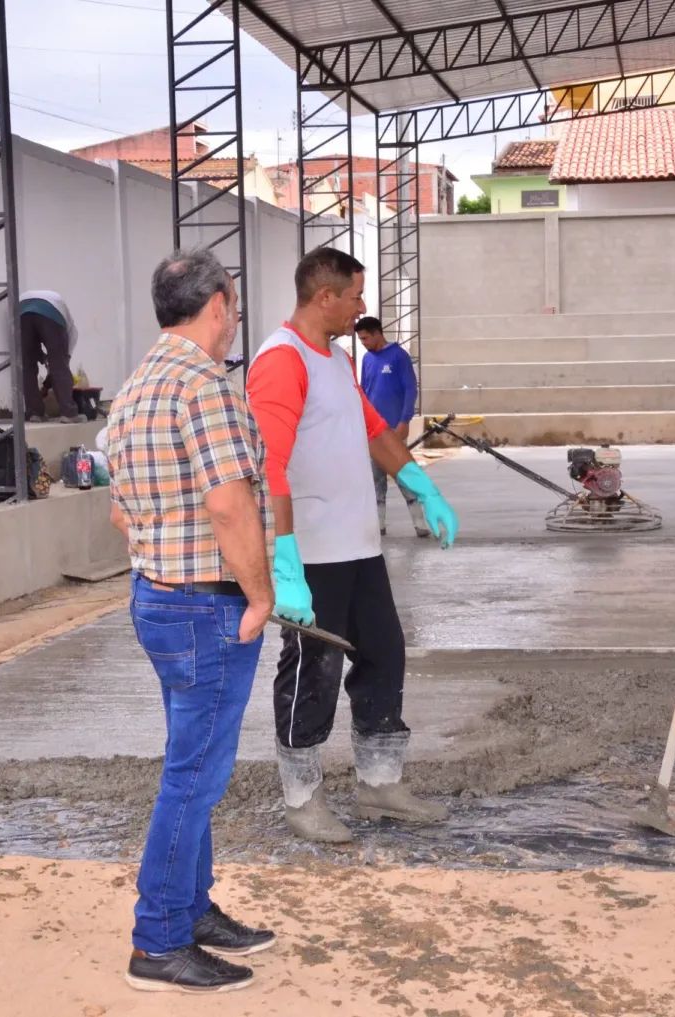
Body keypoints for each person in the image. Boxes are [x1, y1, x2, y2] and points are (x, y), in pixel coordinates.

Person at [246, 247, 460, 844]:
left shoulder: (337, 359)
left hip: (359, 548)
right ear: (325, 298)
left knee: (383, 656)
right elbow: (270, 467)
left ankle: (379, 784)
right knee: (311, 671)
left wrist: (422, 487)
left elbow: (373, 431)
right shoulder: (280, 362)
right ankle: (302, 797)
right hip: (310, 554)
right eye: (355, 296)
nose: (363, 307)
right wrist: (283, 565)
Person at [106, 249, 276, 993]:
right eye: (233, 308)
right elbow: (229, 502)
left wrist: (162, 555)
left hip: (159, 595)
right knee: (195, 776)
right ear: (217, 305)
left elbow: (120, 510)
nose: (233, 320)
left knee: (190, 756)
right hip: (208, 604)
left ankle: (191, 905)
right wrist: (261, 592)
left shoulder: (135, 388)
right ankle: (160, 939)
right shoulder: (203, 385)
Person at [356, 316, 430, 538]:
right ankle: (379, 524)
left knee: (403, 476)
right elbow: (364, 392)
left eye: (366, 338)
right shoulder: (367, 360)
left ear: (378, 333)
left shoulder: (399, 356)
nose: (364, 343)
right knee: (376, 480)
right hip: (372, 432)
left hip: (393, 430)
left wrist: (404, 421)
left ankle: (420, 524)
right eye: (361, 340)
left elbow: (410, 390)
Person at [19, 288, 85, 423]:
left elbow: (33, 350)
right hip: (50, 309)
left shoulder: (66, 324)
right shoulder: (71, 334)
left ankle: (34, 413)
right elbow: (61, 362)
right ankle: (69, 413)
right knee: (59, 365)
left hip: (22, 310)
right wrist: (56, 360)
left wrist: (42, 357)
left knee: (27, 366)